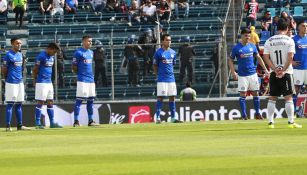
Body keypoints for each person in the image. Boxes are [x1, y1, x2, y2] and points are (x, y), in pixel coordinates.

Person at [263, 19, 302, 129]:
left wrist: (275, 69)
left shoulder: (269, 40)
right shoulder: (289, 40)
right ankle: (290, 122)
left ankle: (270, 123)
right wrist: (283, 70)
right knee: (288, 98)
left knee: (272, 98)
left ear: (276, 28)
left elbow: (265, 57)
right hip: (287, 72)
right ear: (287, 28)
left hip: (273, 73)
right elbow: (290, 57)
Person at [228, 28, 269, 120]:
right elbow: (230, 60)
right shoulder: (236, 47)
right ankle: (244, 115)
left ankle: (258, 114)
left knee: (256, 93)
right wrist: (233, 71)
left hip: (253, 74)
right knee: (243, 94)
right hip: (242, 75)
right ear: (242, 36)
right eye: (246, 35)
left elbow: (258, 57)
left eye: (249, 35)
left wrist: (265, 69)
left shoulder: (252, 46)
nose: (247, 37)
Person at [2, 37, 31, 131]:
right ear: (12, 44)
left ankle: (20, 125)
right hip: (11, 83)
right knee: (10, 104)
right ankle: (8, 126)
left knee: (19, 104)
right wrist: (7, 78)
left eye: (20, 43)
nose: (19, 45)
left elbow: (22, 68)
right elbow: (4, 69)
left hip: (20, 82)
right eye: (17, 43)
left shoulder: (20, 55)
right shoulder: (8, 55)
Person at [32, 43, 63, 129]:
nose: (55, 53)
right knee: (40, 102)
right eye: (54, 51)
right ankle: (37, 123)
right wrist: (34, 81)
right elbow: (34, 70)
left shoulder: (52, 57)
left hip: (49, 82)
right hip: (41, 82)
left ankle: (52, 123)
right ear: (49, 49)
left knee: (50, 102)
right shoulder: (41, 56)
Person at [153, 33, 182, 123]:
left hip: (171, 79)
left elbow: (173, 64)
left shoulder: (173, 52)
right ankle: (158, 117)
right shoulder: (158, 52)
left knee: (172, 97)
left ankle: (173, 118)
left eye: (170, 40)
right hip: (162, 78)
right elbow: (154, 65)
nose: (169, 42)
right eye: (167, 40)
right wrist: (158, 74)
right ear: (162, 41)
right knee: (160, 97)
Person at [72, 35, 99, 127]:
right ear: (83, 42)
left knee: (91, 100)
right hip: (82, 80)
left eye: (91, 41)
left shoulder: (91, 52)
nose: (90, 43)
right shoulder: (78, 53)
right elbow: (74, 67)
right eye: (88, 41)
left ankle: (90, 120)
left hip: (91, 80)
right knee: (79, 100)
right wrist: (79, 75)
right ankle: (76, 121)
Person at [292, 21, 307, 117]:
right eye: (303, 26)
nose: (305, 27)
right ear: (298, 28)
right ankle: (293, 112)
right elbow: (288, 53)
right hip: (298, 69)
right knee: (296, 90)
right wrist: (291, 62)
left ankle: (305, 112)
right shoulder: (294, 39)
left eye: (306, 26)